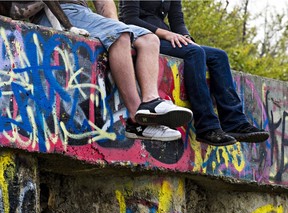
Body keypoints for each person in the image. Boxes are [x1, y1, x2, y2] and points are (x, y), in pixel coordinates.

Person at [31, 0, 193, 142]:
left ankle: (151, 102)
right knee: (120, 35)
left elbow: (104, 4)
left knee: (149, 39)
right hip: (60, 12)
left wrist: (117, 27)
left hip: (85, 14)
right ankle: (137, 122)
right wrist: (119, 33)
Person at [119, 0, 270, 146]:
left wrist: (186, 37)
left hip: (166, 39)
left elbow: (177, 21)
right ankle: (207, 127)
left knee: (219, 56)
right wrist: (166, 34)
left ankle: (234, 123)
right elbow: (129, 18)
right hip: (143, 38)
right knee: (194, 53)